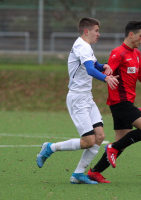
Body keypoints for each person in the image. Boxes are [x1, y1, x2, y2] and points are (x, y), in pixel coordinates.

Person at [87, 20, 141, 183]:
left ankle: (95, 172)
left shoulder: (136, 54)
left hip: (126, 103)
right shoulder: (118, 53)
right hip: (120, 103)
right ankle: (111, 149)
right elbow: (108, 74)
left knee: (122, 142)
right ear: (131, 34)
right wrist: (107, 76)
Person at [36, 17, 119, 184]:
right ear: (86, 31)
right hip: (77, 98)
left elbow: (93, 65)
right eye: (96, 31)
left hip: (87, 97)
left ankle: (78, 174)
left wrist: (103, 66)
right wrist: (106, 78)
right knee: (89, 141)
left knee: (100, 136)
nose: (98, 34)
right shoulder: (82, 46)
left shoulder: (85, 46)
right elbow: (89, 70)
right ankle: (50, 148)